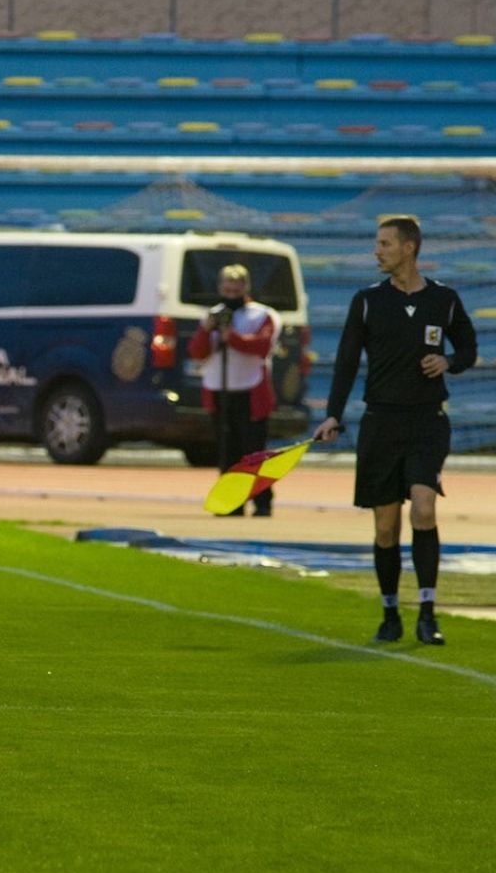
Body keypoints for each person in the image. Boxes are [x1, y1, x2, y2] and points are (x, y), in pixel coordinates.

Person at [312, 215, 477, 646]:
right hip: (380, 423)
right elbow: (347, 361)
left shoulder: (445, 299)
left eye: (385, 243)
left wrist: (449, 362)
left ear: (409, 248)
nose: (377, 250)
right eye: (377, 243)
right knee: (386, 527)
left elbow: (469, 347)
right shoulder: (366, 301)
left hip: (426, 421)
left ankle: (427, 612)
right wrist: (333, 414)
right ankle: (390, 612)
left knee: (423, 508)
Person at [187, 263, 281, 516]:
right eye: (226, 290)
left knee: (255, 452)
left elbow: (262, 345)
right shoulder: (213, 314)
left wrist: (234, 337)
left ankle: (262, 502)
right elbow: (197, 353)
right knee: (227, 449)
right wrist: (207, 330)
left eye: (235, 290)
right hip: (220, 390)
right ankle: (232, 502)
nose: (230, 296)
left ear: (245, 288)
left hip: (251, 391)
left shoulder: (262, 315)